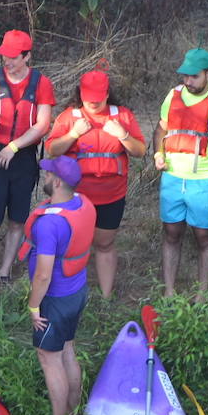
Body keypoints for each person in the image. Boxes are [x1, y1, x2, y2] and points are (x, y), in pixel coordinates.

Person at [0, 29, 56, 296]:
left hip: (24, 157)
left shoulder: (41, 83)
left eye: (13, 57)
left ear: (27, 56)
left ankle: (4, 271)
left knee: (17, 218)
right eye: (4, 55)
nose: (7, 61)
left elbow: (42, 125)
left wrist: (14, 146)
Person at [44, 68, 146, 300]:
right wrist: (72, 135)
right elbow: (51, 150)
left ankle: (106, 297)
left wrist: (122, 135)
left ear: (107, 94)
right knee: (71, 244)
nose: (92, 102)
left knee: (105, 243)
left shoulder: (122, 116)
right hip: (76, 196)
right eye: (88, 97)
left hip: (112, 195)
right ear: (80, 93)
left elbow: (140, 151)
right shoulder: (69, 117)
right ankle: (66, 293)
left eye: (98, 98)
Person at [151, 47, 208, 299]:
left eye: (194, 77)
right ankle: (169, 292)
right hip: (172, 176)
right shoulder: (174, 94)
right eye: (185, 76)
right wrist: (159, 153)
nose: (188, 82)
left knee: (204, 235)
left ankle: (202, 296)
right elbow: (161, 128)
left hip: (205, 179)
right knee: (171, 232)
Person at [19, 155, 96, 415]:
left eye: (48, 174)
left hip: (54, 299)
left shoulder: (49, 225)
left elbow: (43, 275)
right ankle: (74, 414)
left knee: (49, 358)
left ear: (58, 181)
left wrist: (33, 306)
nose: (45, 177)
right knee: (67, 349)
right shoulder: (82, 203)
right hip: (77, 291)